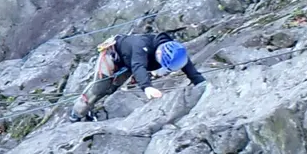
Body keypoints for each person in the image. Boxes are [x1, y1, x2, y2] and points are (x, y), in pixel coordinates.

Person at [70, 31, 206, 121]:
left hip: (128, 62)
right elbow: (138, 66)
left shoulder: (176, 52)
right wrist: (147, 87)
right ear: (158, 55)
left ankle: (91, 109)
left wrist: (201, 84)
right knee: (99, 87)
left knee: (111, 89)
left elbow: (191, 70)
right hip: (113, 55)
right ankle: (77, 113)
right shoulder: (141, 45)